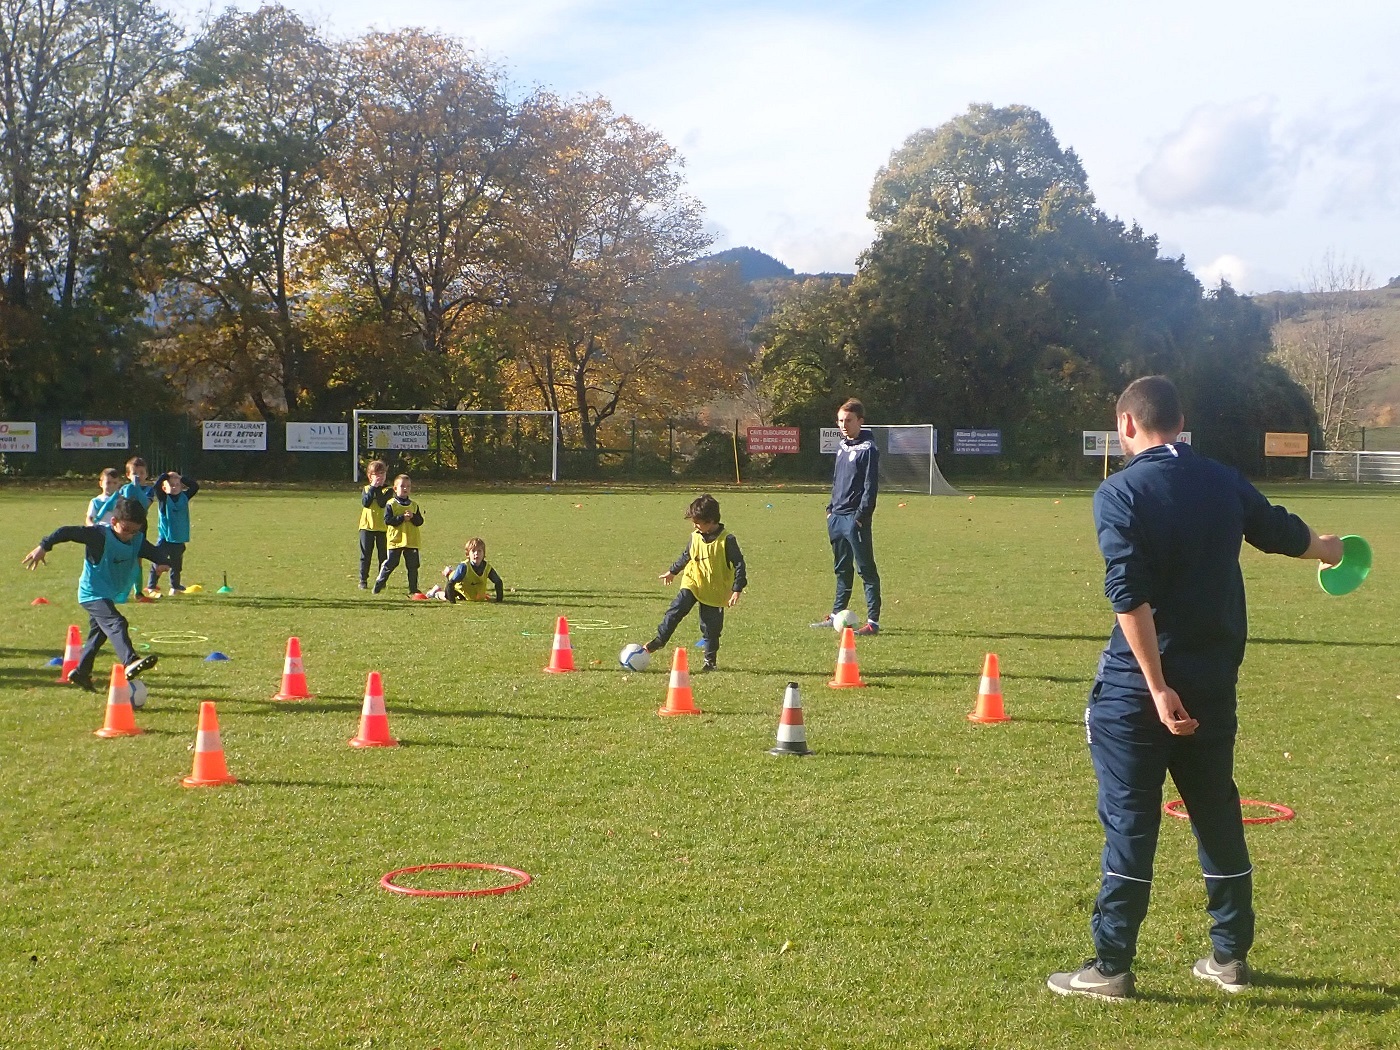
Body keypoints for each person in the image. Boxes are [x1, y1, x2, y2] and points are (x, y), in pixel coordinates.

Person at [1048, 376, 1344, 1002]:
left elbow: (1128, 595)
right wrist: (1326, 549)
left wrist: (1157, 687)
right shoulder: (1221, 479)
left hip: (1137, 693)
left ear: (1126, 425)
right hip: (1211, 684)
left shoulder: (1120, 491)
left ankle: (1111, 966)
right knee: (1216, 814)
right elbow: (1277, 531)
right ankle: (1230, 957)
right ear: (1180, 424)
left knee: (1131, 824)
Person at [21, 497, 167, 694]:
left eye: (135, 531)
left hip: (108, 593)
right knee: (117, 623)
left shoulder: (135, 539)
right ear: (114, 522)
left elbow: (153, 552)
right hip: (92, 594)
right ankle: (130, 660)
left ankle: (81, 672)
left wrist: (163, 562)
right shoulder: (98, 535)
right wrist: (44, 546)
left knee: (98, 634)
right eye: (126, 530)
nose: (130, 535)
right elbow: (66, 532)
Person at [643, 493, 747, 673]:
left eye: (698, 522)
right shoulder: (695, 536)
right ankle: (659, 640)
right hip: (693, 581)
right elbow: (687, 555)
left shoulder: (727, 540)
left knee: (710, 628)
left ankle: (710, 661)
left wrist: (737, 589)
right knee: (675, 610)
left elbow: (739, 564)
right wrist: (673, 571)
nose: (694, 526)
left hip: (714, 589)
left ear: (711, 521)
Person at [813, 398, 881, 635]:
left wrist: (861, 516)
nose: (844, 425)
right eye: (840, 420)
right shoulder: (842, 446)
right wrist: (830, 509)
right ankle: (836, 614)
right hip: (836, 517)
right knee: (842, 569)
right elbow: (837, 480)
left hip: (854, 518)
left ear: (860, 421)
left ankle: (873, 622)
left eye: (849, 420)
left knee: (866, 570)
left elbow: (870, 486)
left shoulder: (869, 449)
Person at [146, 471, 200, 595]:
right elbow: (156, 487)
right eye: (171, 485)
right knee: (158, 562)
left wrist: (181, 478)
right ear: (164, 488)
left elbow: (195, 487)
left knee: (176, 565)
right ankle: (151, 586)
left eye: (177, 485)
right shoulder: (164, 499)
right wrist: (165, 476)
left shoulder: (184, 497)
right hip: (165, 538)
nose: (174, 487)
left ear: (181, 487)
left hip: (179, 538)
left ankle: (175, 587)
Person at [373, 474, 424, 595]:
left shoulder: (414, 505)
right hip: (396, 540)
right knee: (391, 563)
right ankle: (379, 584)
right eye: (402, 486)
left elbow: (420, 521)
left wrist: (413, 517)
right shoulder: (391, 504)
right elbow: (388, 520)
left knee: (413, 565)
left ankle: (413, 588)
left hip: (411, 540)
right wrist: (402, 518)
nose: (405, 488)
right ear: (395, 489)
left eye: (408, 486)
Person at [426, 537, 504, 603]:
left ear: (484, 553)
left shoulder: (487, 567)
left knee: (473, 598)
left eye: (479, 551)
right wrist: (453, 602)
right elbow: (450, 584)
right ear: (468, 554)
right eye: (473, 551)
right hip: (458, 589)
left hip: (471, 590)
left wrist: (499, 600)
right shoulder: (464, 567)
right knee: (446, 597)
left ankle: (449, 571)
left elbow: (498, 582)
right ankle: (436, 592)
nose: (476, 553)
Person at [358, 460, 390, 590]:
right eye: (376, 474)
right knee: (366, 555)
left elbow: (382, 503)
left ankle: (381, 580)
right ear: (370, 476)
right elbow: (366, 503)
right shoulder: (366, 489)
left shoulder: (388, 490)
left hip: (383, 527)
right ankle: (363, 580)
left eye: (382, 474)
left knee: (383, 555)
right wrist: (373, 487)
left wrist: (378, 488)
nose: (380, 477)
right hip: (367, 527)